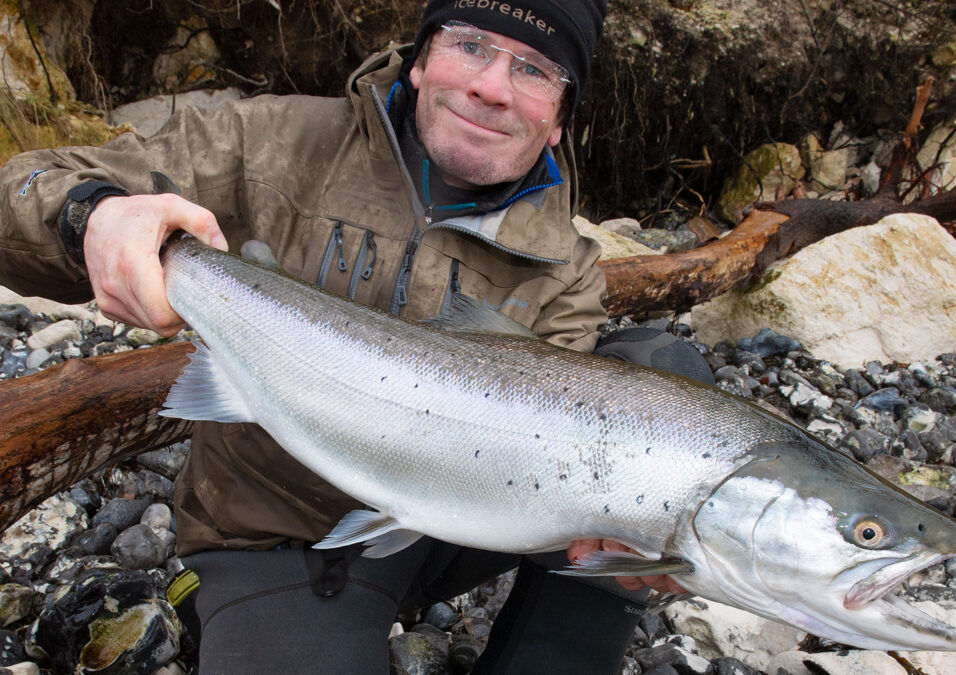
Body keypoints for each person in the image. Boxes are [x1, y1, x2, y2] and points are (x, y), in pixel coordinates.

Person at [0, 1, 712, 671]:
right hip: (279, 536)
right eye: (472, 45)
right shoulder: (268, 142)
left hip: (458, 521)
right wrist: (91, 218)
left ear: (560, 117)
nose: (494, 86)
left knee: (664, 373)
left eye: (534, 68)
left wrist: (624, 540)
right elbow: (25, 185)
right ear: (420, 61)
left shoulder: (568, 267)